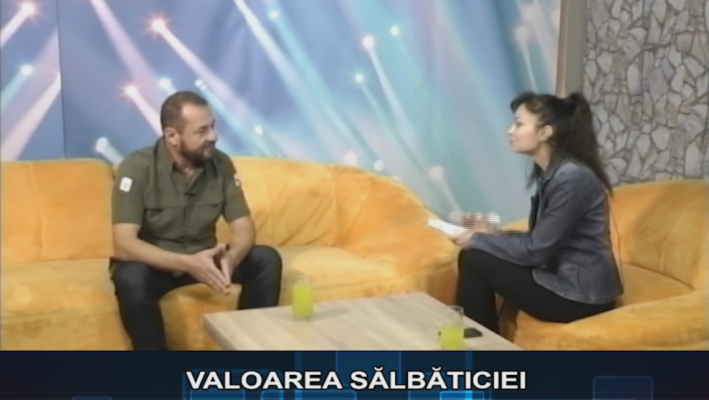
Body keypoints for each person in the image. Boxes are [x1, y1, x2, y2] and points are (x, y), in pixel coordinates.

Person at [110, 90, 282, 350]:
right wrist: (187, 264)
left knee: (265, 258)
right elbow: (124, 244)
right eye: (202, 131)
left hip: (206, 260)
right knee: (130, 276)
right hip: (157, 265)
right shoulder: (136, 167)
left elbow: (244, 228)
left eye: (212, 126)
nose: (213, 136)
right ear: (172, 136)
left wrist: (230, 260)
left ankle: (249, 357)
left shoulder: (221, 164)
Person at [453, 91, 623, 334]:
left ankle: (480, 347)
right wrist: (493, 235)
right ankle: (476, 339)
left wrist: (478, 239)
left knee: (475, 258)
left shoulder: (571, 177)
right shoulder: (556, 173)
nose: (510, 131)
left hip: (581, 296)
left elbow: (536, 250)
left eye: (518, 124)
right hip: (563, 279)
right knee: (474, 252)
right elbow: (540, 239)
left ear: (545, 132)